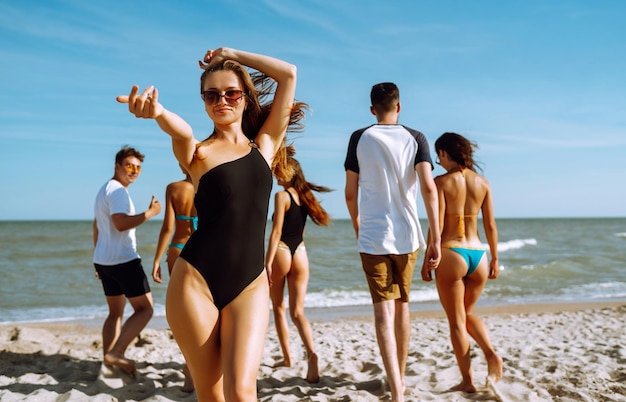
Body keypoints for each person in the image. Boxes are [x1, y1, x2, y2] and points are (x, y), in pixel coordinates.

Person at [117, 47, 307, 401]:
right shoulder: (198, 152)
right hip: (195, 282)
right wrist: (158, 112)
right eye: (212, 94)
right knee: (213, 393)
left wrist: (233, 54)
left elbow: (289, 74)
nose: (222, 100)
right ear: (204, 100)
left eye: (232, 92)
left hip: (249, 284)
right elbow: (181, 130)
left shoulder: (265, 146)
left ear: (246, 99)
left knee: (242, 391)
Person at [344, 82, 441, 402]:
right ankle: (399, 379)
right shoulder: (417, 138)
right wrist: (435, 238)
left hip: (373, 235)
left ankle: (397, 389)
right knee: (403, 308)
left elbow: (350, 191)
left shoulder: (360, 137)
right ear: (399, 107)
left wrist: (358, 223)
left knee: (382, 313)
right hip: (409, 236)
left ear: (372, 109)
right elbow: (429, 188)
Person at [420, 132, 503, 393]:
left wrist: (427, 258)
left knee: (456, 321)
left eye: (438, 155)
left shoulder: (441, 182)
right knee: (467, 314)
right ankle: (491, 353)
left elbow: (438, 223)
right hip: (478, 254)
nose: (438, 160)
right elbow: (489, 224)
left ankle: (467, 381)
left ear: (445, 153)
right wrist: (495, 258)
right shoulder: (483, 183)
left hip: (451, 252)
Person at [92, 146, 162, 377]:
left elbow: (97, 226)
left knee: (115, 313)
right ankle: (117, 352)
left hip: (105, 261)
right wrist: (149, 214)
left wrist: (97, 258)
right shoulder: (119, 192)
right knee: (145, 309)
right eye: (129, 166)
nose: (134, 171)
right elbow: (120, 223)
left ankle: (108, 363)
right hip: (124, 260)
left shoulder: (105, 189)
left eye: (138, 167)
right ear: (117, 166)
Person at [265, 148, 331, 383]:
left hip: (282, 250)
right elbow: (300, 231)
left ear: (289, 172)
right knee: (298, 312)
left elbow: (276, 233)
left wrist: (267, 263)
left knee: (279, 308)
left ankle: (287, 358)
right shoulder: (305, 196)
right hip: (300, 252)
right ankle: (311, 353)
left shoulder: (281, 196)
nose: (275, 174)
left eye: (278, 170)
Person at [151, 164, 197, 392]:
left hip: (178, 249)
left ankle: (188, 368)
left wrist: (157, 259)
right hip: (203, 251)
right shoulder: (207, 187)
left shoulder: (174, 188)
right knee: (203, 312)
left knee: (183, 314)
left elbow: (168, 227)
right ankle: (198, 367)